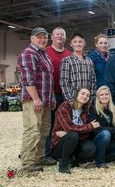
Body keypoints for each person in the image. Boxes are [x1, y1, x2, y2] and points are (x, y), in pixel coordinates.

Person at [17, 27, 56, 174]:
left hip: (45, 99)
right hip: (33, 99)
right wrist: (35, 98)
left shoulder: (44, 54)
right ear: (32, 38)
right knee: (32, 130)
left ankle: (40, 157)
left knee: (44, 130)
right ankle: (27, 162)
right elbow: (28, 80)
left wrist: (51, 97)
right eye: (39, 37)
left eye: (45, 37)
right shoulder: (28, 53)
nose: (42, 39)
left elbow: (49, 78)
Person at [51, 88, 100, 173]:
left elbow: (86, 134)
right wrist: (89, 126)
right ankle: (63, 165)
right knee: (73, 135)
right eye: (83, 93)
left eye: (87, 95)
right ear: (77, 94)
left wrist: (69, 133)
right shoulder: (65, 106)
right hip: (59, 145)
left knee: (90, 148)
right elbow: (69, 128)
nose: (85, 96)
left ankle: (74, 160)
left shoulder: (84, 111)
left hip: (75, 141)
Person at [45, 27, 71, 164]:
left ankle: (59, 151)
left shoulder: (69, 54)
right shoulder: (46, 52)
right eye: (57, 34)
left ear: (65, 38)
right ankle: (46, 153)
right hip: (51, 94)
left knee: (62, 125)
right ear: (52, 37)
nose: (60, 36)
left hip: (66, 95)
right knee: (48, 125)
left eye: (62, 34)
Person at [89, 86, 115, 168]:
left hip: (111, 142)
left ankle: (102, 157)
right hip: (97, 141)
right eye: (101, 95)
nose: (104, 96)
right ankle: (100, 162)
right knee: (105, 133)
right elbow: (96, 129)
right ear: (98, 97)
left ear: (110, 96)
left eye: (106, 94)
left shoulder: (114, 109)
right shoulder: (93, 109)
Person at [60, 33, 97, 104]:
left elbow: (93, 81)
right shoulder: (66, 60)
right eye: (75, 42)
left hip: (86, 101)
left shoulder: (89, 61)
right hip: (73, 100)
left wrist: (91, 98)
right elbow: (64, 82)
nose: (78, 44)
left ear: (84, 43)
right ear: (71, 44)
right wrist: (69, 101)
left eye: (80, 42)